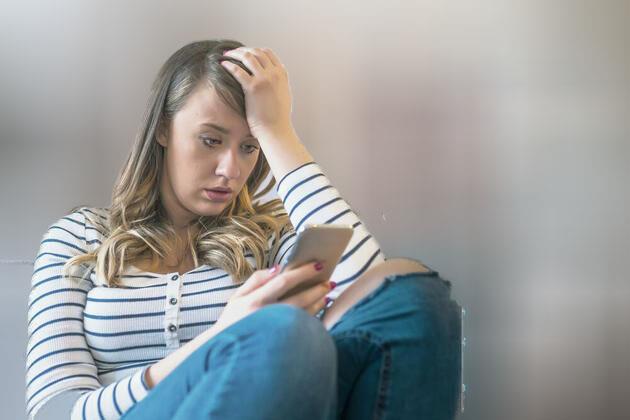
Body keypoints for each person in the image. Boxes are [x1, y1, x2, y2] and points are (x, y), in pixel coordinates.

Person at [26, 39, 461, 420]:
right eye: (211, 140)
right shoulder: (79, 237)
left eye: (249, 146)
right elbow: (55, 412)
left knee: (415, 296)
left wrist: (278, 130)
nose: (230, 170)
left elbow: (375, 297)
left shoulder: (271, 239)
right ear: (162, 129)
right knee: (283, 331)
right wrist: (225, 337)